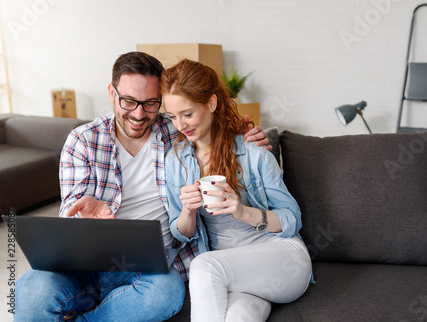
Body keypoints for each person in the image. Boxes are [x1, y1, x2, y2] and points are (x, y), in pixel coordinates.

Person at [14, 52, 269, 322]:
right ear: (112, 92)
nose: (138, 114)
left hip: (152, 269)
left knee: (165, 294)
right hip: (87, 264)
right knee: (31, 290)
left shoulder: (176, 131)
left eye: (150, 104)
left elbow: (217, 127)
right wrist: (81, 218)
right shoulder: (83, 141)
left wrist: (250, 137)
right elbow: (69, 210)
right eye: (129, 101)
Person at [162, 59, 312, 322]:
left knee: (203, 266)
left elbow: (292, 218)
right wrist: (187, 210)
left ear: (211, 103)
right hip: (234, 273)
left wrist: (244, 212)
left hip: (283, 260)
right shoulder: (175, 161)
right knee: (239, 317)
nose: (180, 126)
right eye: (173, 117)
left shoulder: (253, 152)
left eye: (187, 114)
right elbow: (181, 233)